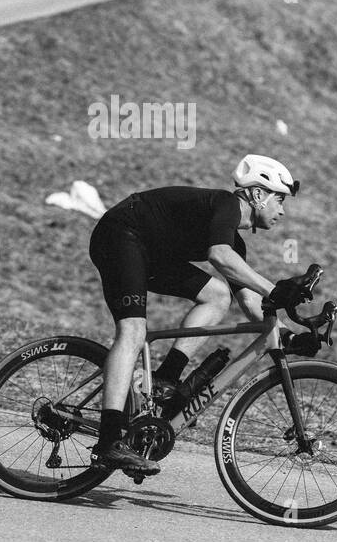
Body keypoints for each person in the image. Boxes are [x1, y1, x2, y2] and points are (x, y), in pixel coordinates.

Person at [87, 154, 310, 476]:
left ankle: (166, 377)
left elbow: (249, 303)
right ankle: (109, 440)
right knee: (133, 331)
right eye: (280, 199)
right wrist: (274, 289)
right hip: (121, 235)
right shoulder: (225, 205)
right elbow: (219, 256)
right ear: (258, 194)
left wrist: (289, 334)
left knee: (218, 295)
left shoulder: (233, 241)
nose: (283, 211)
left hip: (148, 251)